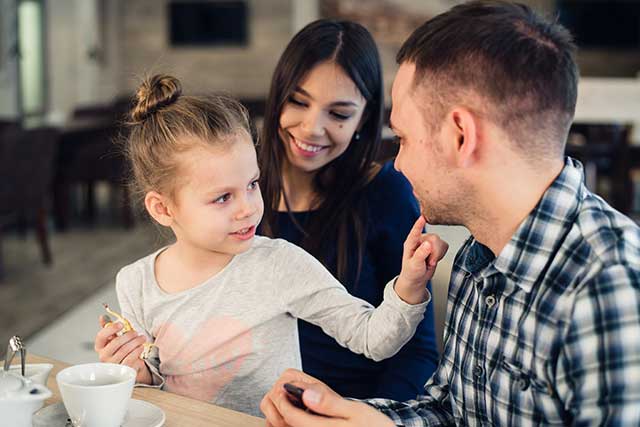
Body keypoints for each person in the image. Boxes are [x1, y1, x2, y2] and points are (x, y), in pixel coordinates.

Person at [260, 1, 640, 425]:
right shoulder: (477, 255)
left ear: (461, 135)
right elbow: (449, 411)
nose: (397, 164)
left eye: (402, 138)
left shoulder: (610, 286)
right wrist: (362, 419)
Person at [92, 74, 448, 416]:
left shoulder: (278, 264)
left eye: (252, 184)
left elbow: (374, 339)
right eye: (222, 198)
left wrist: (409, 286)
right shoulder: (135, 283)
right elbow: (154, 386)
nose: (248, 209)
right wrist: (135, 372)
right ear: (163, 208)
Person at [258, 19, 439, 400]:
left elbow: (418, 352)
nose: (311, 128)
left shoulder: (386, 193)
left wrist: (366, 418)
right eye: (298, 101)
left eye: (338, 114)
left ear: (363, 119)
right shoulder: (242, 186)